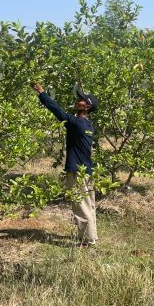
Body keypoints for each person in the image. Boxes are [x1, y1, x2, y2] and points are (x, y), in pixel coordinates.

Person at [32, 82, 99, 246]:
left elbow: (57, 111)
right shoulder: (88, 125)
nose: (78, 101)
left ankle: (88, 241)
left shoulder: (76, 124)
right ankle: (92, 236)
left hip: (77, 170)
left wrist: (42, 93)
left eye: (82, 100)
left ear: (88, 106)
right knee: (89, 205)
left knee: (81, 206)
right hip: (88, 170)